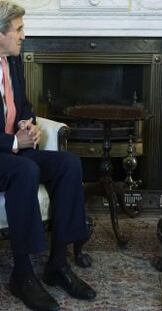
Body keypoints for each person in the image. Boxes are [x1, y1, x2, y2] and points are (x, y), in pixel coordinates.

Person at [0, 1, 96, 310]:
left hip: (11, 152)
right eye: (18, 30)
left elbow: (22, 106)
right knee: (24, 171)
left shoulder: (11, 62)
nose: (23, 36)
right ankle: (23, 274)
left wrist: (29, 126)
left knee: (68, 163)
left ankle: (57, 264)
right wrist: (14, 143)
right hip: (6, 154)